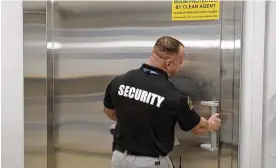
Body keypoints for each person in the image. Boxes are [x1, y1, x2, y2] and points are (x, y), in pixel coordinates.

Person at [103, 36, 221, 168]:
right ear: (169, 63)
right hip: (150, 163)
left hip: (119, 159)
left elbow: (110, 112)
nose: (181, 66)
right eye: (180, 62)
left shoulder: (119, 81)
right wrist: (211, 124)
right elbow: (197, 127)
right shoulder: (175, 97)